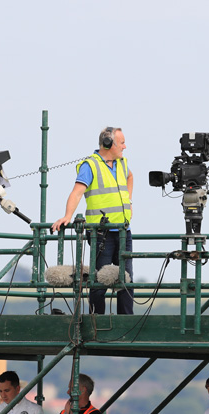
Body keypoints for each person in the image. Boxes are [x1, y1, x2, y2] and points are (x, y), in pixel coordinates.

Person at [51, 127, 135, 314]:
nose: (125, 146)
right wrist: (68, 216)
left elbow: (130, 177)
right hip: (101, 233)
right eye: (121, 143)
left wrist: (129, 200)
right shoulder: (91, 165)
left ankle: (126, 322)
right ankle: (96, 321)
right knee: (99, 281)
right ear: (108, 144)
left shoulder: (121, 163)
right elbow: (77, 192)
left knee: (126, 279)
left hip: (123, 231)